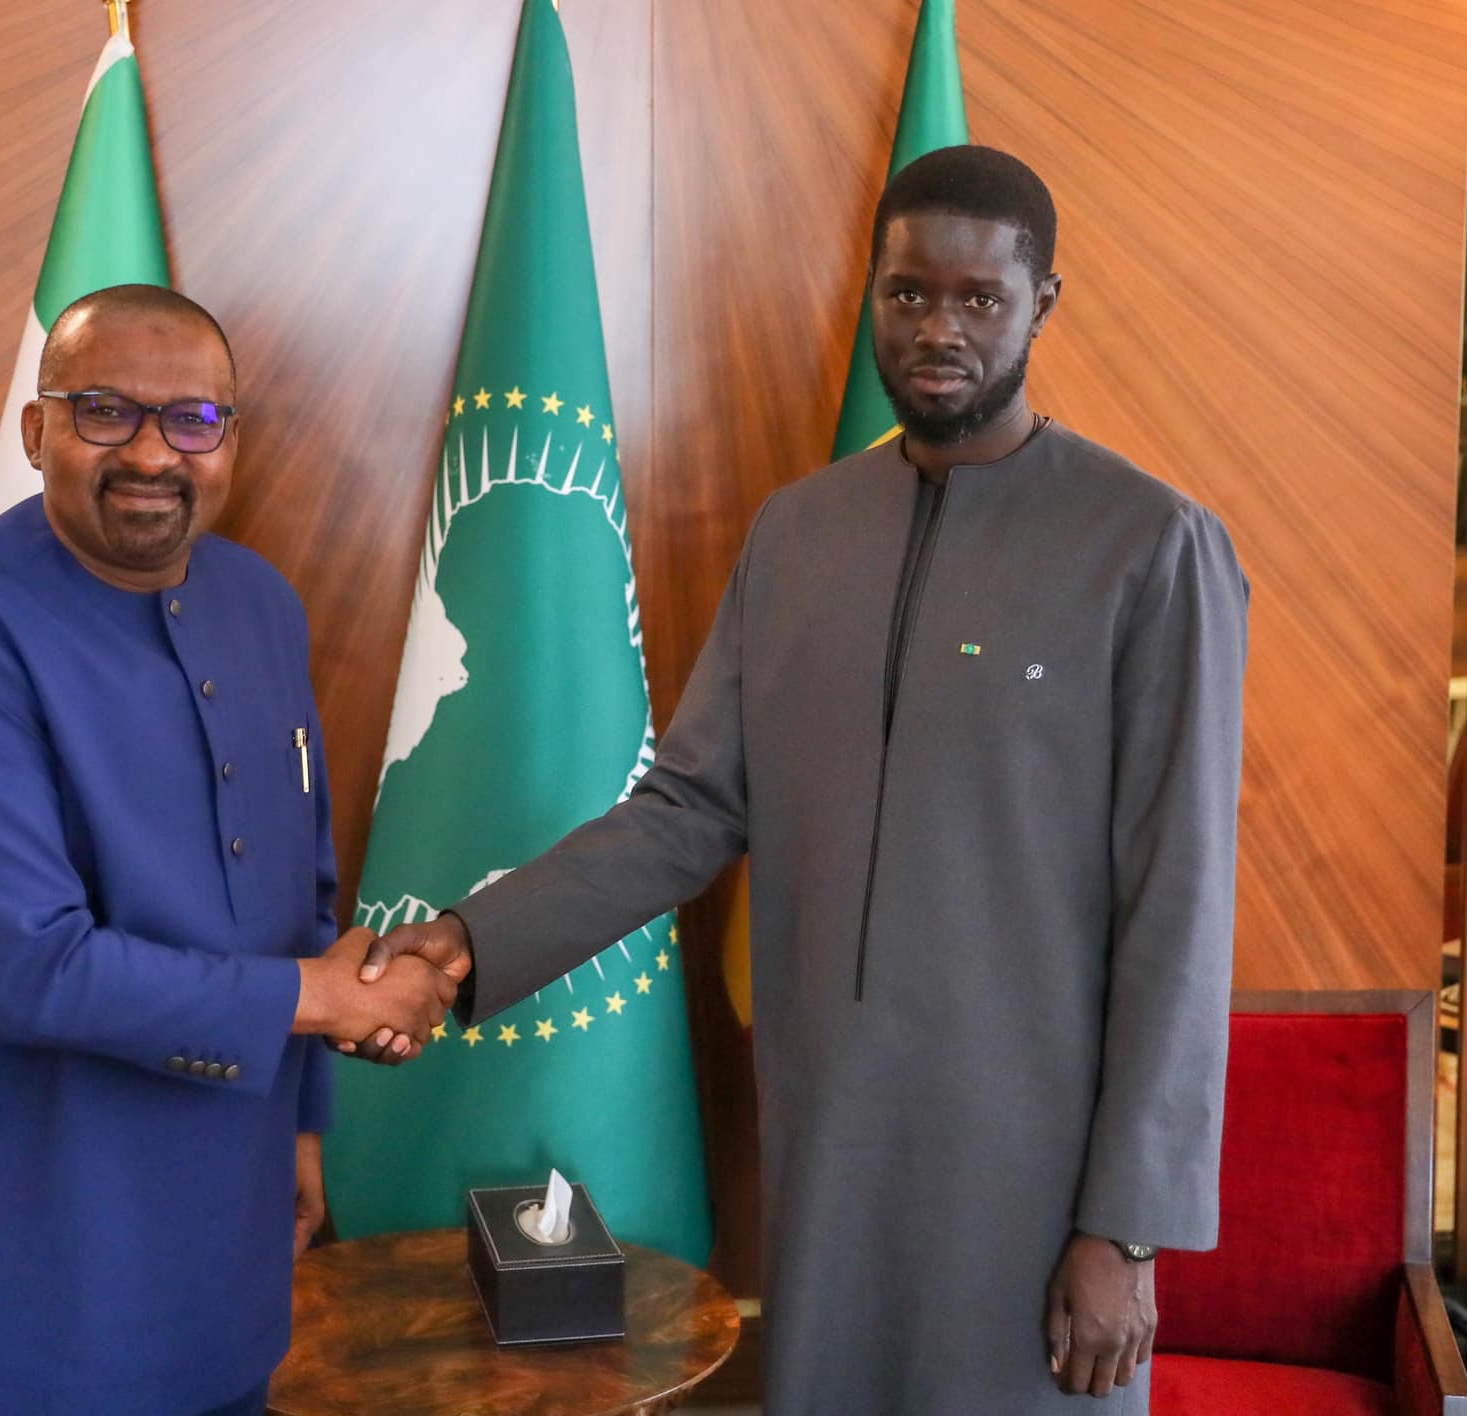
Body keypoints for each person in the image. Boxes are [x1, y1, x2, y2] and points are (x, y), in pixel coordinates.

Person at [347, 146, 1249, 1413]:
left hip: (1037, 1181)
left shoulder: (1150, 546)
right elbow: (686, 810)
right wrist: (463, 940)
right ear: (872, 292)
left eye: (979, 299)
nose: (937, 329)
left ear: (1041, 302)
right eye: (908, 292)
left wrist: (1128, 1229)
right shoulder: (797, 533)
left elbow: (1179, 903)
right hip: (830, 1153)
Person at [0, 284, 452, 1416]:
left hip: (228, 1231)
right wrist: (325, 1001)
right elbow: (30, 969)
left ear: (229, 441)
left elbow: (302, 893)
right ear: (37, 431)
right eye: (104, 411)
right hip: (24, 1245)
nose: (150, 452)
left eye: (192, 419)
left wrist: (303, 1122)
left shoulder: (262, 605)